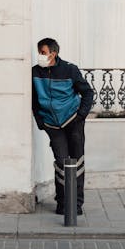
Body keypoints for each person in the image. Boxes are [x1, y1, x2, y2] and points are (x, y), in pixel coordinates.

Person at [32, 38, 93, 215]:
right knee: (61, 163)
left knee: (76, 163)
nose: (40, 56)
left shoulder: (69, 69)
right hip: (52, 124)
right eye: (39, 52)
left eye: (43, 53)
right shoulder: (35, 73)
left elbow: (87, 92)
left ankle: (76, 205)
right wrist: (40, 121)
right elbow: (34, 100)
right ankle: (62, 202)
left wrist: (80, 116)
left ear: (53, 53)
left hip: (73, 122)